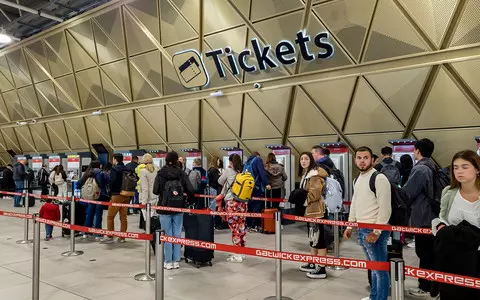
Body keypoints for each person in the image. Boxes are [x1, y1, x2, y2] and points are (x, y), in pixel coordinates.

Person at [344, 146, 391, 300]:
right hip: (362, 228)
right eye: (359, 158)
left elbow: (385, 208)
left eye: (365, 158)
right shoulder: (357, 179)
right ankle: (374, 296)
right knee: (373, 268)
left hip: (374, 230)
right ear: (355, 159)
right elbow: (355, 203)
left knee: (380, 270)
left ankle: (380, 298)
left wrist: (376, 231)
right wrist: (350, 225)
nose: (362, 161)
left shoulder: (379, 178)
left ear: (373, 159)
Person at [431, 150, 480, 299]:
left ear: (477, 169)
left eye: (465, 167)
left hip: (476, 258)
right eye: (456, 167)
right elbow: (442, 217)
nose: (459, 171)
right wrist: (441, 226)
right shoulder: (449, 192)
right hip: (451, 257)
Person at [402, 138, 438, 297]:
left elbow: (408, 192)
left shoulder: (420, 169)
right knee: (428, 252)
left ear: (417, 150)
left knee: (424, 252)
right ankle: (431, 285)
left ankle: (425, 286)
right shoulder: (432, 165)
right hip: (431, 215)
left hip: (423, 216)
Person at [153, 151, 194, 270]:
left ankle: (168, 261)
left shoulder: (161, 173)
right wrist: (190, 201)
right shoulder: (181, 173)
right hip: (179, 206)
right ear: (177, 160)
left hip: (165, 207)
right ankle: (176, 260)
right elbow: (190, 189)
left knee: (166, 234)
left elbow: (155, 190)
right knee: (177, 233)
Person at [296, 152, 329, 279]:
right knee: (313, 238)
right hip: (310, 211)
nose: (303, 161)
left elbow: (314, 194)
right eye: (302, 159)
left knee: (319, 240)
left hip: (316, 211)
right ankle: (313, 262)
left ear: (311, 160)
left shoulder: (315, 174)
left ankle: (321, 268)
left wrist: (302, 201)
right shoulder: (308, 174)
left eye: (306, 158)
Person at [217, 154, 246, 262]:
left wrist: (227, 171)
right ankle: (243, 251)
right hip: (242, 203)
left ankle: (237, 253)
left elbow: (219, 181)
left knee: (234, 227)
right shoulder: (242, 171)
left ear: (230, 162)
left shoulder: (229, 171)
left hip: (232, 202)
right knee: (241, 226)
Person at [101, 153, 129, 244]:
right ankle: (122, 237)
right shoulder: (127, 169)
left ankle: (110, 235)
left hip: (116, 195)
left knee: (110, 216)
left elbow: (111, 182)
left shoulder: (114, 169)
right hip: (126, 195)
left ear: (115, 160)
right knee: (123, 217)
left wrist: (110, 192)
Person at [78, 160, 107, 240]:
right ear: (99, 165)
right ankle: (98, 234)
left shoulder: (87, 173)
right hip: (99, 196)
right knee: (98, 215)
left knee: (89, 214)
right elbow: (107, 181)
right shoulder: (102, 173)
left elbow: (78, 183)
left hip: (89, 197)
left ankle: (86, 232)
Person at [244, 151, 270, 232]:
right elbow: (261, 173)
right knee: (257, 205)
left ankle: (248, 224)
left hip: (247, 188)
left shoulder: (246, 162)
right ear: (258, 156)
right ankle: (254, 225)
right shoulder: (257, 160)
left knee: (250, 206)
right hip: (256, 187)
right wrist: (266, 184)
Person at [139, 154, 159, 220]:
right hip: (156, 197)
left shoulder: (143, 171)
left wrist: (143, 202)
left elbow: (145, 188)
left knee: (148, 220)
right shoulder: (157, 169)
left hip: (147, 199)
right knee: (155, 218)